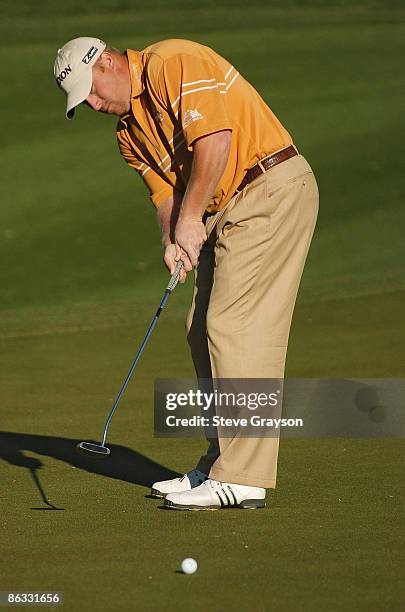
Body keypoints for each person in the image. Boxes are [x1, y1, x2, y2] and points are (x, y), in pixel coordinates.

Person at [54, 36, 319, 511]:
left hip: (269, 186)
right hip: (226, 211)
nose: (93, 105)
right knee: (200, 329)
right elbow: (165, 198)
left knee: (234, 327)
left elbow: (215, 142)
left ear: (109, 62)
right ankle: (221, 463)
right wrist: (172, 240)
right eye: (83, 102)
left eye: (92, 92)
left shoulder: (173, 61)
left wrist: (192, 220)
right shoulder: (127, 136)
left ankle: (244, 478)